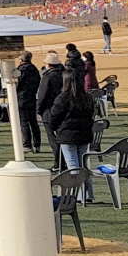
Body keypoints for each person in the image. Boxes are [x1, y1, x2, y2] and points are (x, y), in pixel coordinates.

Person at [46, 69, 98, 202]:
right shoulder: (87, 97)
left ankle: (79, 195)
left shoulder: (63, 98)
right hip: (84, 134)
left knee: (73, 165)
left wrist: (55, 128)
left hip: (67, 136)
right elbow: (92, 114)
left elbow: (53, 117)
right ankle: (88, 194)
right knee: (83, 165)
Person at [34, 53, 65, 157]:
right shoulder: (64, 75)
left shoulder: (47, 77)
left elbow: (42, 95)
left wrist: (39, 110)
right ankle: (63, 160)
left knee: (52, 138)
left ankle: (58, 161)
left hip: (49, 110)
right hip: (62, 109)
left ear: (48, 64)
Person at [12, 53, 40, 151]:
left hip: (22, 98)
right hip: (32, 97)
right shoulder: (35, 70)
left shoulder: (20, 71)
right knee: (33, 121)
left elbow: (17, 84)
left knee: (24, 122)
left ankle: (27, 144)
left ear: (21, 59)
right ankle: (37, 144)